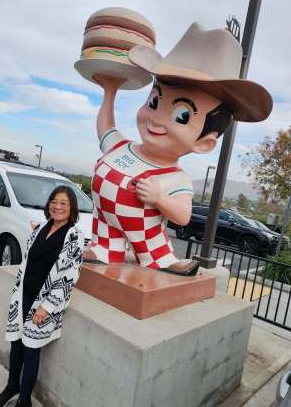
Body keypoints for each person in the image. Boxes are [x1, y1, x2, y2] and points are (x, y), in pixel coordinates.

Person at [83, 22, 272, 275]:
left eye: (181, 116)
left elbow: (182, 216)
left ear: (203, 143)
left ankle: (161, 259)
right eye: (154, 101)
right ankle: (105, 249)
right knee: (105, 237)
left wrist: (159, 198)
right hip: (106, 224)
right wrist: (109, 92)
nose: (156, 118)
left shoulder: (174, 177)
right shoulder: (122, 147)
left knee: (152, 246)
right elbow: (105, 128)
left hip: (146, 236)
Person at [0, 185, 84, 407]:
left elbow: (69, 277)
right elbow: (28, 262)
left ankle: (24, 401)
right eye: (54, 201)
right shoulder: (41, 227)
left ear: (71, 207)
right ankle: (12, 387)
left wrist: (47, 306)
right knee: (16, 344)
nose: (57, 206)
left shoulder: (74, 236)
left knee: (31, 352)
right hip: (23, 296)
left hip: (43, 304)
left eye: (63, 203)